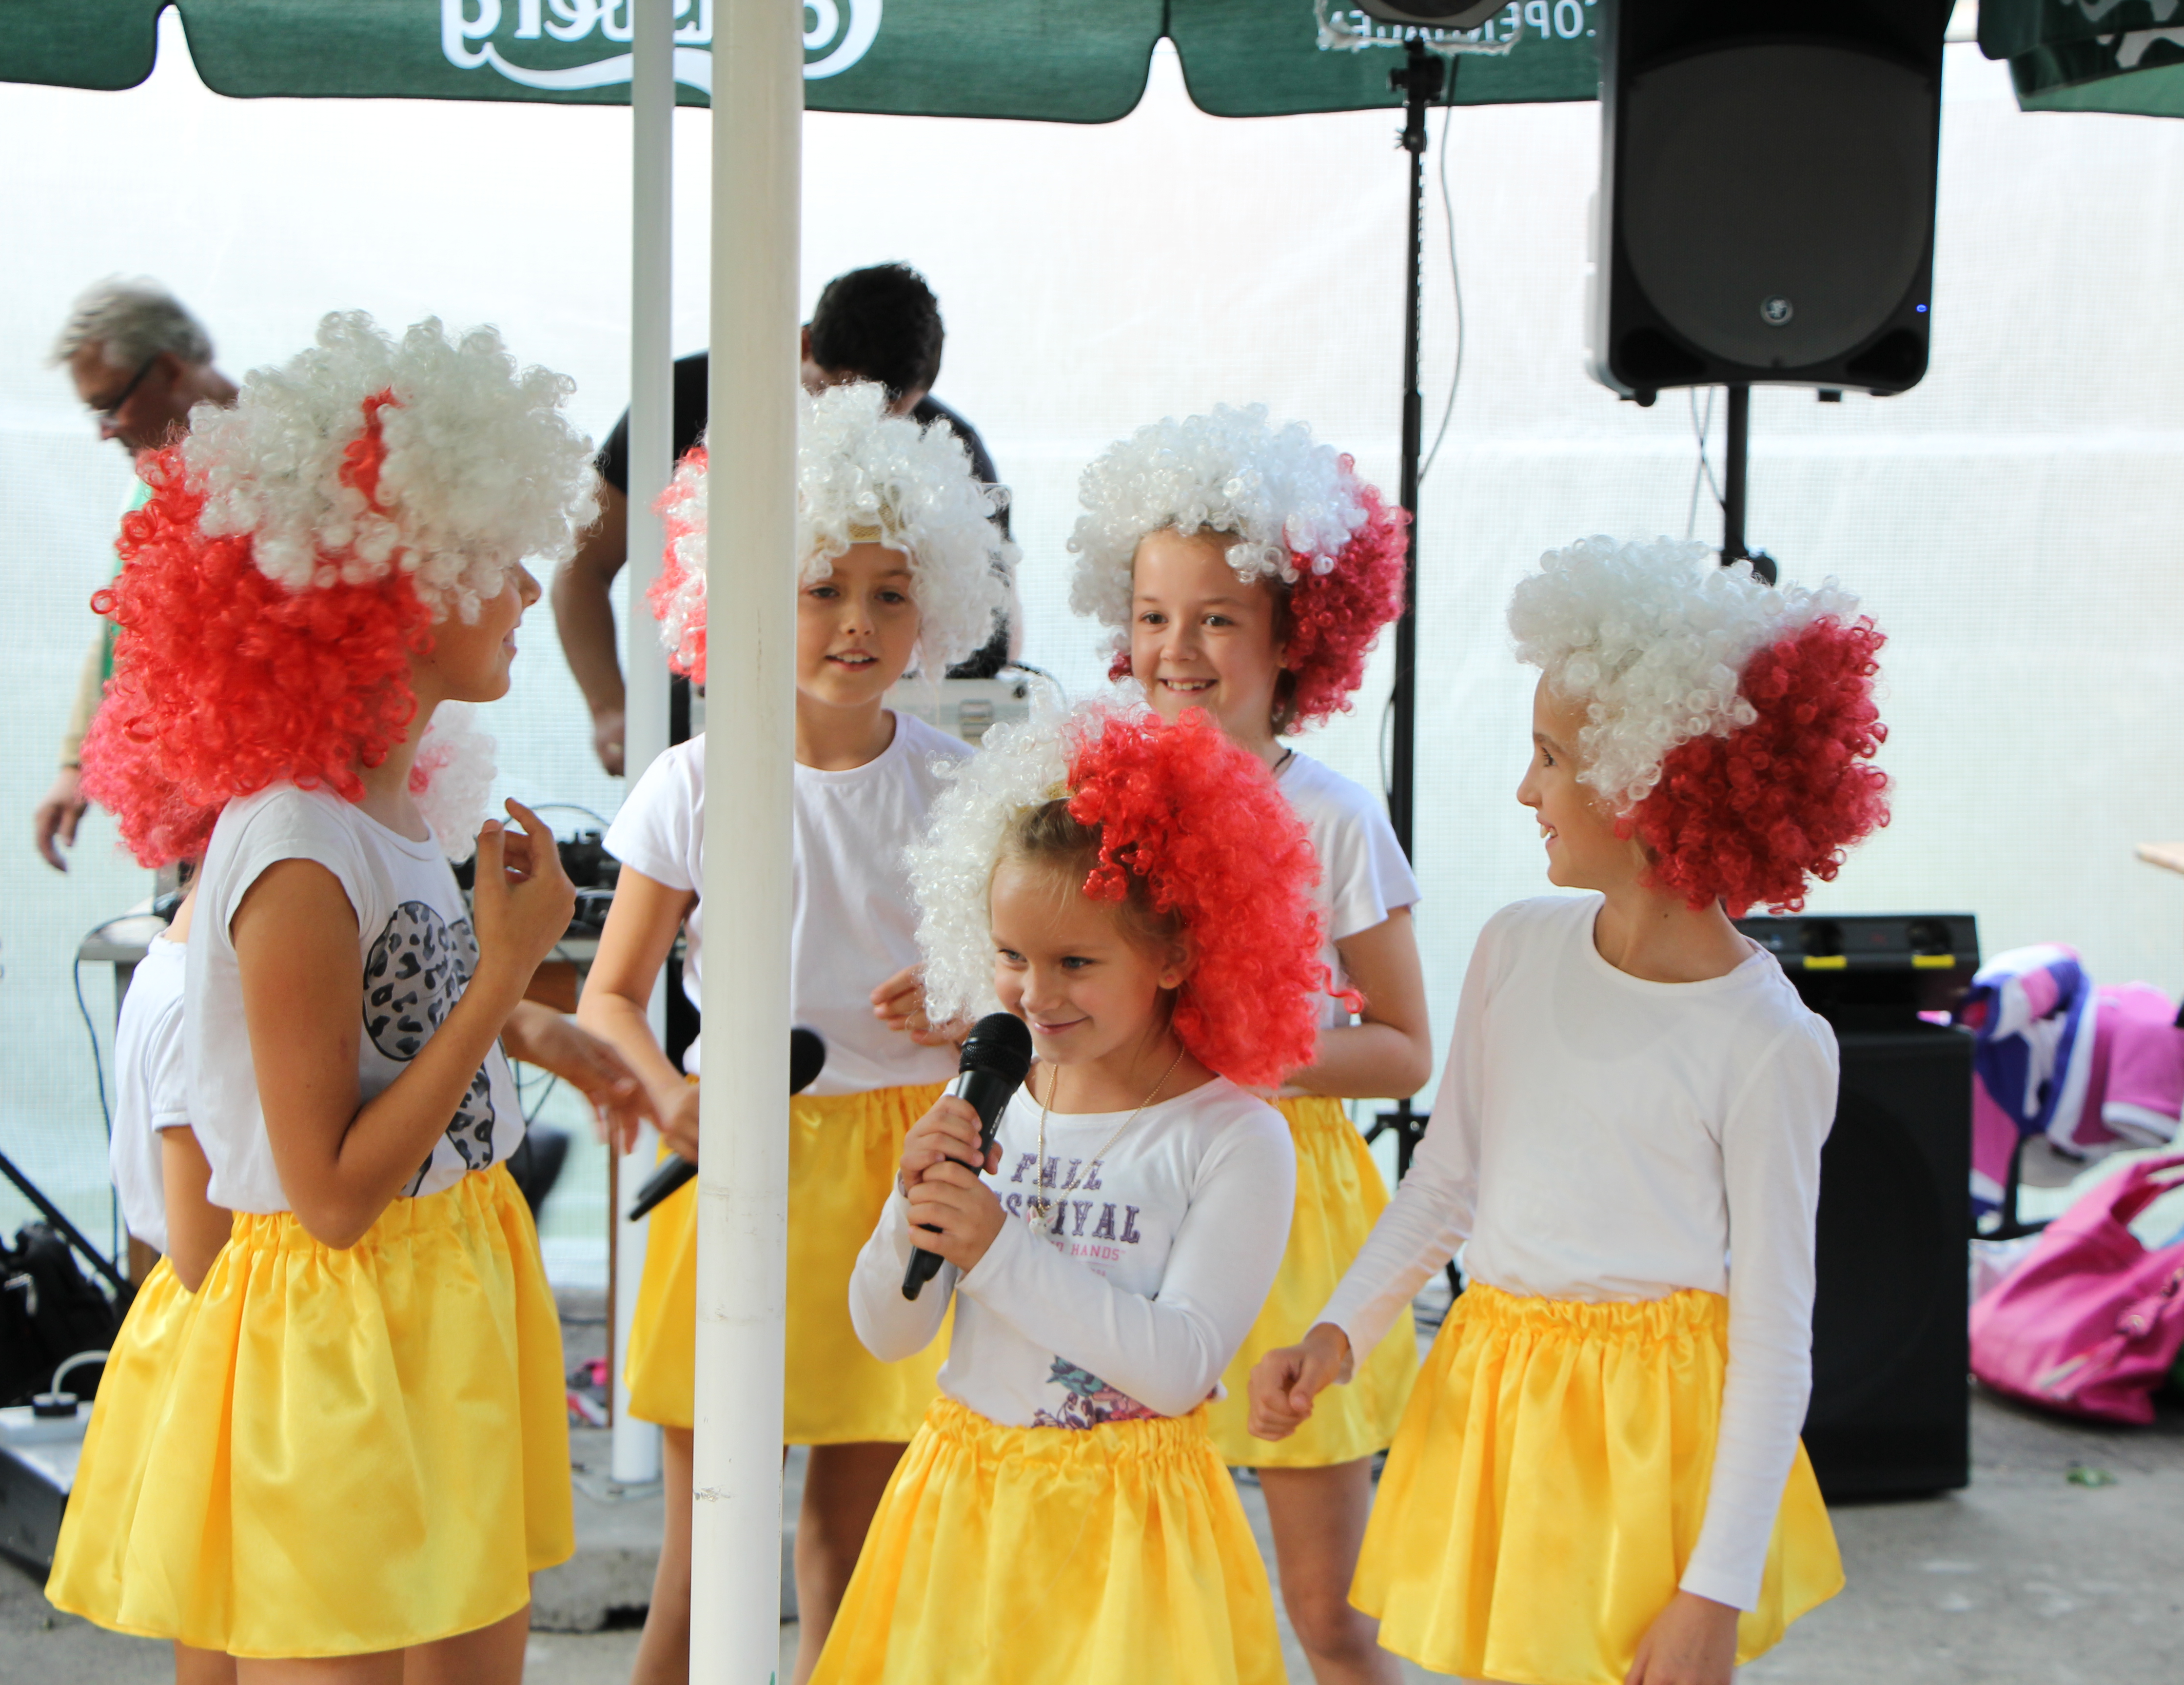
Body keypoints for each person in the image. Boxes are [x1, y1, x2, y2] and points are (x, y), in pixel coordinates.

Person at [43, 311, 605, 1677]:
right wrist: (506, 972)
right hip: (341, 1339)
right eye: (491, 561)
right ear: (391, 589)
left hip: (446, 1300)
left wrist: (523, 1003)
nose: (530, 590)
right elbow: (334, 1196)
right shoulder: (297, 847)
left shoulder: (391, 811)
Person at [1250, 536, 1892, 1685]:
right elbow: (1448, 1183)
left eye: (1549, 757)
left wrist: (1713, 1590)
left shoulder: (1768, 1042)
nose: (1525, 788)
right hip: (1498, 1397)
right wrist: (1338, 1331)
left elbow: (1772, 1333)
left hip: (1649, 1444)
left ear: (1650, 784)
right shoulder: (1513, 947)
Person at [578, 381, 1012, 1685]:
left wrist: (964, 1012)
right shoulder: (692, 781)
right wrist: (668, 1095)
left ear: (935, 606)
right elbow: (610, 994)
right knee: (705, 1554)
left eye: (890, 593)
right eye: (823, 588)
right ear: (748, 592)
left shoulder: (959, 786)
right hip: (736, 1165)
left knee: (855, 1544)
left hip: (899, 1171)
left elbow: (1026, 1008)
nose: (856, 622)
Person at [807, 700, 1324, 1685]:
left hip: (1129, 1538)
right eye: (1011, 957)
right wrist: (908, 1209)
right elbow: (890, 1332)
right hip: (962, 1509)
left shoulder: (1234, 1138)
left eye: (1075, 963)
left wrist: (996, 1248)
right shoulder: (982, 1099)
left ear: (1175, 954)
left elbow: (1178, 1368)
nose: (1034, 996)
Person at [1066, 406, 1429, 1685]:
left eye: (1217, 618)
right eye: (1153, 615)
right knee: (1136, 1617)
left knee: (1330, 1618)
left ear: (1297, 639)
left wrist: (1244, 1050)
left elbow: (1405, 1050)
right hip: (1127, 1209)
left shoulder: (1336, 821)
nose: (1177, 649)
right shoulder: (1091, 799)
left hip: (1290, 1215)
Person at [551, 262, 1013, 775]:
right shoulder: (680, 398)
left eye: (890, 415)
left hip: (882, 749)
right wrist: (609, 709)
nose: (857, 426)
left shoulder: (945, 450)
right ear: (803, 345)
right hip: (706, 727)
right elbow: (583, 566)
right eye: (835, 394)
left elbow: (996, 622)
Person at [35, 279, 238, 870]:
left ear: (170, 369)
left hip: (255, 813)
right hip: (184, 815)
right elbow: (122, 632)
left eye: (110, 405)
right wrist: (77, 763)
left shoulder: (275, 468)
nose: (104, 430)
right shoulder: (154, 478)